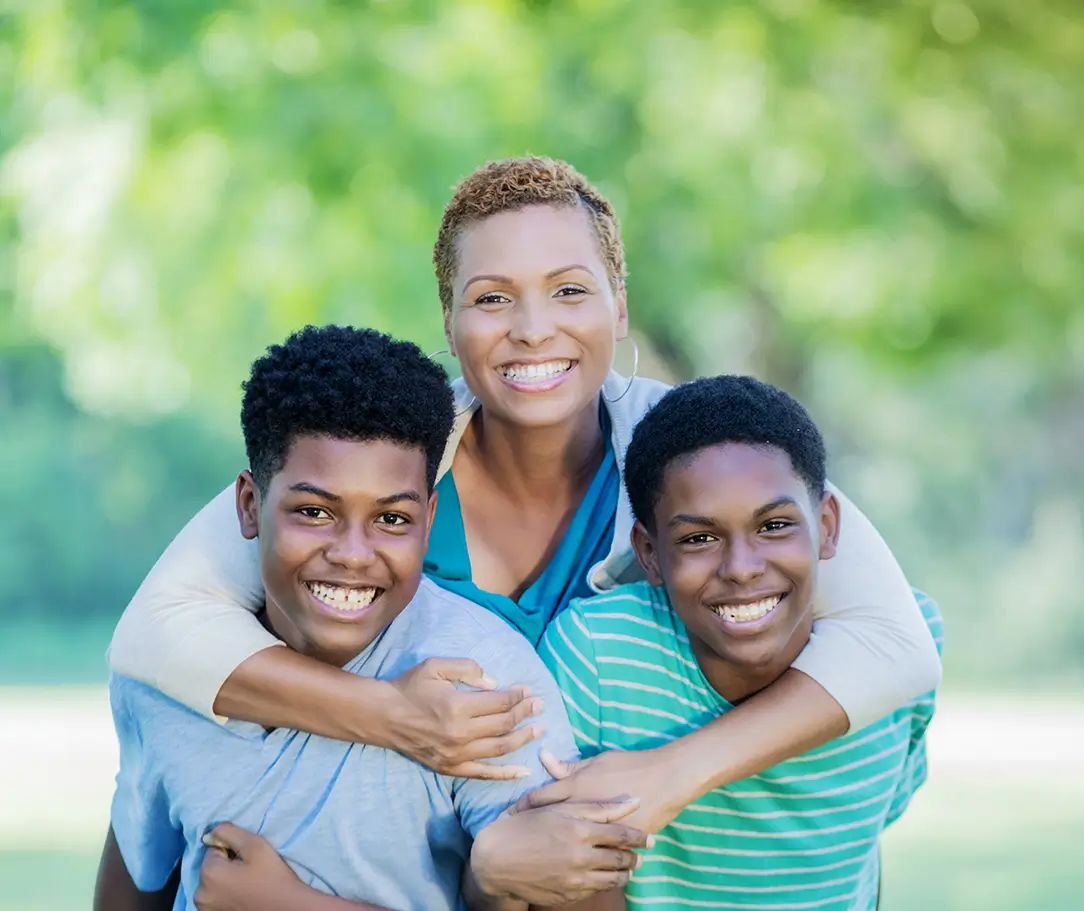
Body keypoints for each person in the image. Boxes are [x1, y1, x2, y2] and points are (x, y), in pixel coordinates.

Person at [106, 156, 942, 830]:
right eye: (492, 298)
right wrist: (391, 714)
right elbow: (155, 631)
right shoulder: (388, 459)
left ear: (619, 307)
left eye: (570, 289)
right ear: (449, 321)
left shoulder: (687, 452)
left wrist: (670, 774)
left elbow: (894, 644)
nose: (533, 328)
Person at [93, 326, 646, 911]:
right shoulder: (167, 681)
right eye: (314, 512)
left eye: (391, 520)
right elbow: (135, 882)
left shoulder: (486, 687)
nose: (353, 555)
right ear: (250, 506)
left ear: (428, 519)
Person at [537, 375, 943, 909]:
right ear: (650, 554)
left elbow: (857, 855)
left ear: (827, 526)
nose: (742, 568)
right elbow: (570, 875)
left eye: (774, 526)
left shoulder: (910, 643)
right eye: (699, 538)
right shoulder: (597, 656)